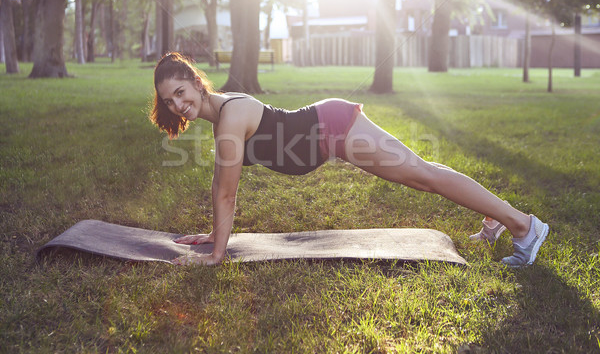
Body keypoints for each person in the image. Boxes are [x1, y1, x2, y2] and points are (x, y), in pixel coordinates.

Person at [150, 52, 549, 267]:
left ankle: (524, 227)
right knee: (423, 171)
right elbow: (221, 190)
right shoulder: (224, 116)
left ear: (197, 82)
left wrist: (217, 255)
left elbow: (226, 195)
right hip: (329, 130)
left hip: (333, 128)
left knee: (422, 176)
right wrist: (214, 233)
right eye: (170, 100)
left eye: (182, 92)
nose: (179, 105)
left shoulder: (230, 118)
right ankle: (497, 214)